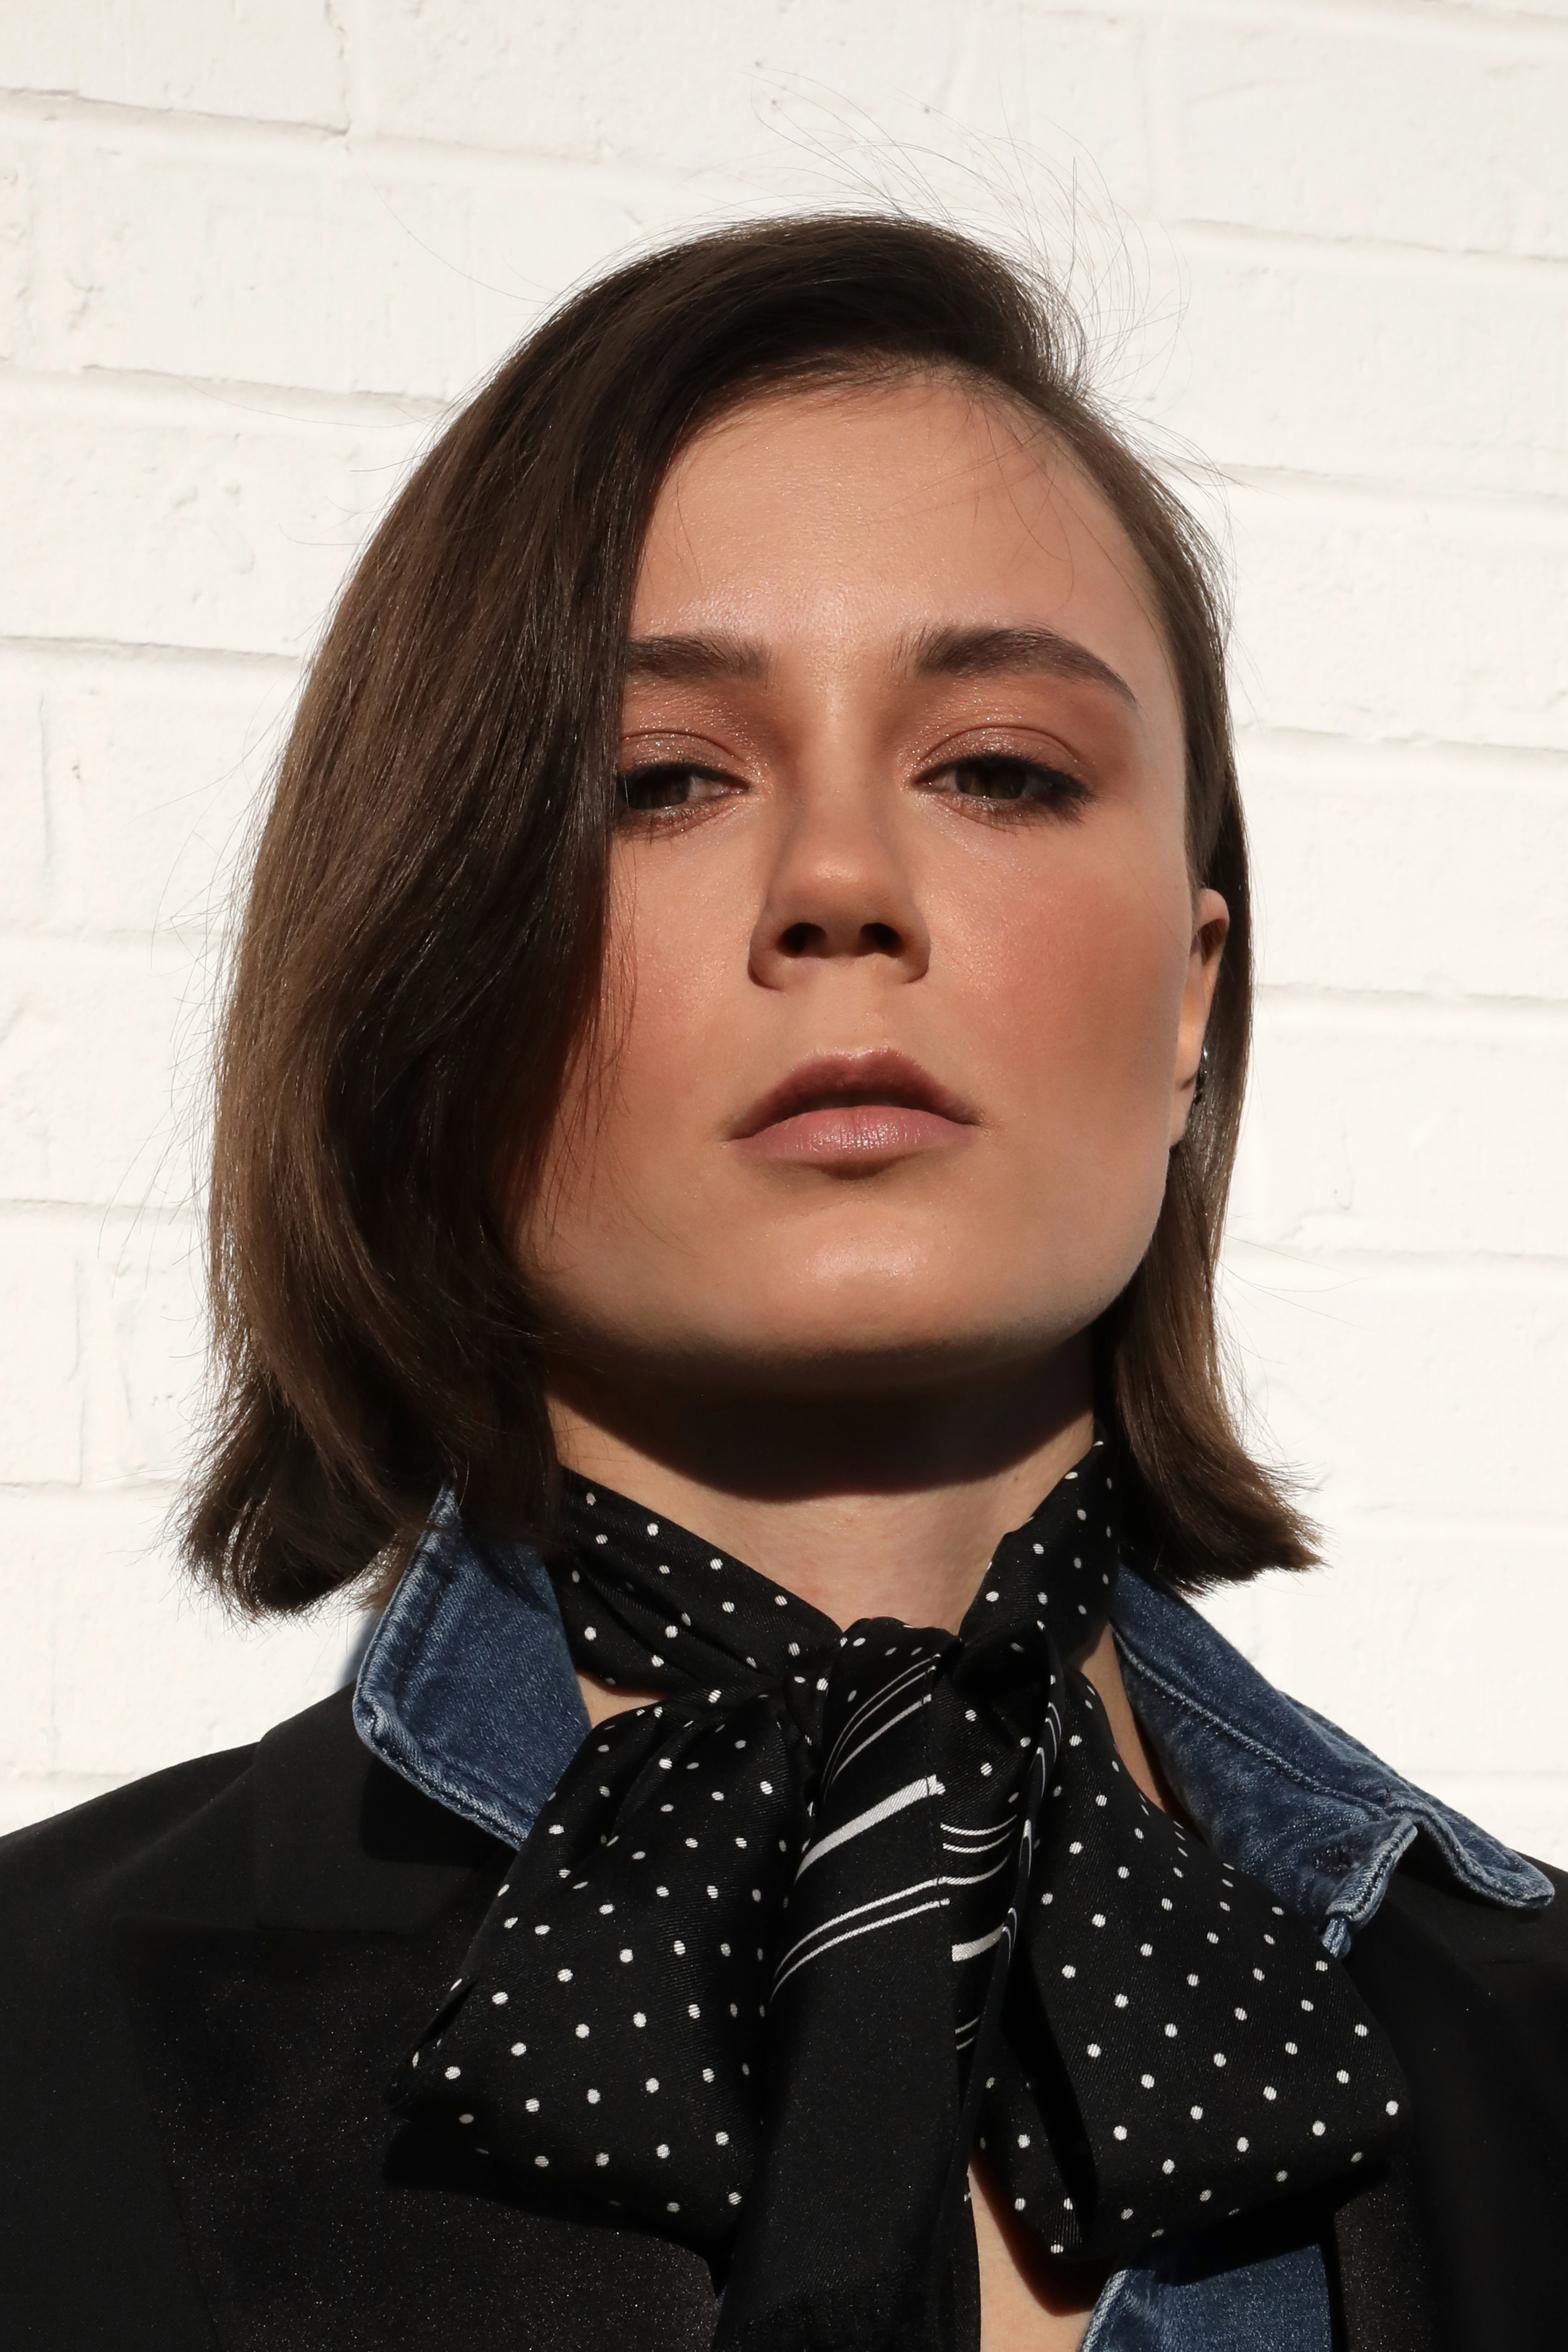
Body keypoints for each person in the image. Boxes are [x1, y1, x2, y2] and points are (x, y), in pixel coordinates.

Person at [1, 209, 1562, 2352]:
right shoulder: (40, 2057)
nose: (839, 885)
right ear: (433, 963)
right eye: (658, 784)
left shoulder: (1525, 2056)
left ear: (1195, 985)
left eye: (999, 770)